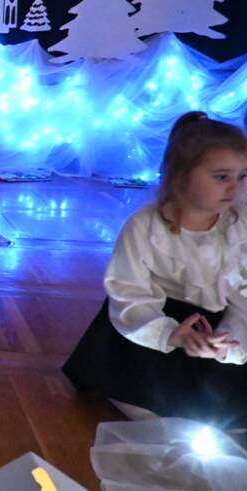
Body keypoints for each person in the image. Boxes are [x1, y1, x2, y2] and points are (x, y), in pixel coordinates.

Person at [63, 112, 247, 427]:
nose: (234, 188)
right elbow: (128, 289)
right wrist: (167, 334)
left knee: (223, 408)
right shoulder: (144, 226)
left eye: (242, 176)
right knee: (145, 395)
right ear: (181, 176)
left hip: (214, 328)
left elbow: (243, 295)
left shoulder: (239, 227)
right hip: (155, 323)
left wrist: (228, 342)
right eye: (221, 177)